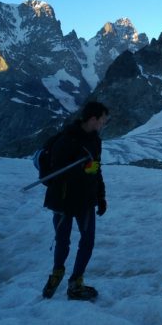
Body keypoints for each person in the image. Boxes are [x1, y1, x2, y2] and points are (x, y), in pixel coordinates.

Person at [41, 101, 109, 301]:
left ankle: (75, 281)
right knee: (64, 241)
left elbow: (97, 170)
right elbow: (56, 175)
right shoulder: (66, 140)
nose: (104, 125)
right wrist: (82, 170)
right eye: (103, 120)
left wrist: (101, 196)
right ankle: (57, 273)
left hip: (86, 200)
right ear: (93, 119)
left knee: (87, 241)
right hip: (63, 201)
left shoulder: (95, 140)